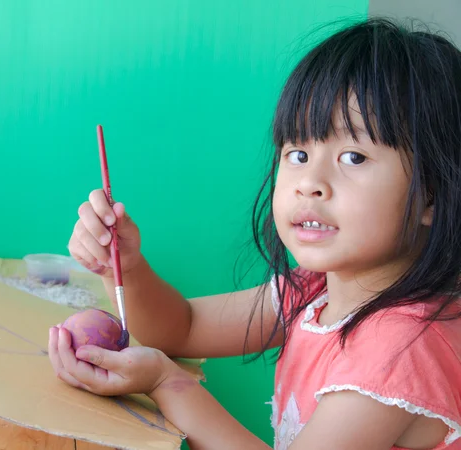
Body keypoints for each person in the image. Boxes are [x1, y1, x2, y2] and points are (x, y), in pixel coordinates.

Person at [48, 17, 461, 450]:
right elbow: (181, 328)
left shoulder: (398, 349)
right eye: (298, 152)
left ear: (430, 196)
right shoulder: (316, 292)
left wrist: (166, 384)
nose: (310, 181)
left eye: (354, 157)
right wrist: (125, 270)